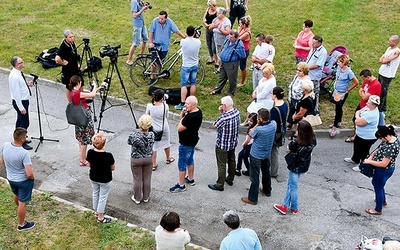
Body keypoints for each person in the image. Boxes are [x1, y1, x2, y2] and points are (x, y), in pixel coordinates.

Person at [273, 120, 316, 215]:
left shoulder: (296, 142)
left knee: (293, 187)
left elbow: (288, 148)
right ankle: (285, 205)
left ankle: (293, 207)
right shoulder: (313, 140)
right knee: (291, 185)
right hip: (304, 166)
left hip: (294, 166)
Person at [0, 128, 35, 231]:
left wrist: (9, 171)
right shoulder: (24, 153)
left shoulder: (5, 145)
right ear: (22, 139)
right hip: (23, 181)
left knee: (17, 195)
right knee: (23, 201)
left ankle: (20, 208)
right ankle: (21, 224)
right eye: (26, 137)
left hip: (11, 178)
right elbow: (29, 173)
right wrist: (32, 178)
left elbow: (2, 161)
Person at [242, 108, 276, 205]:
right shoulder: (273, 124)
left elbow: (251, 133)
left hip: (256, 155)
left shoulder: (259, 129)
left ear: (260, 119)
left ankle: (252, 198)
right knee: (266, 172)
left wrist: (257, 124)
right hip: (266, 153)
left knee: (255, 176)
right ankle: (267, 190)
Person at [363, 126, 400, 215]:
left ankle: (377, 209)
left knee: (378, 186)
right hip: (385, 170)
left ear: (386, 136)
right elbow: (379, 148)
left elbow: (384, 164)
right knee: (379, 185)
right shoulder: (392, 139)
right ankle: (382, 200)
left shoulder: (391, 148)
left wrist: (369, 161)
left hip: (383, 170)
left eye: (381, 138)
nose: (381, 140)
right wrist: (372, 155)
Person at [170, 96, 203, 192]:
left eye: (187, 104)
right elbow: (183, 119)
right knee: (190, 160)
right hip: (192, 141)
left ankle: (181, 185)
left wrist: (183, 117)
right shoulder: (198, 112)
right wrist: (183, 113)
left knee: (182, 163)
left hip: (185, 142)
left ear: (193, 105)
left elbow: (179, 127)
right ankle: (191, 178)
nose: (185, 105)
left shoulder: (190, 117)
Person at [208, 96, 240, 191]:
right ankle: (230, 178)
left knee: (221, 164)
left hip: (222, 144)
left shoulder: (223, 117)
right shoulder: (237, 112)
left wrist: (221, 113)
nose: (221, 106)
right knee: (231, 160)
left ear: (225, 106)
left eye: (222, 104)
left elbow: (215, 125)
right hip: (233, 142)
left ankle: (219, 184)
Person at [66, 75, 99, 166]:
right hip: (84, 118)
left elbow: (89, 95)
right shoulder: (77, 93)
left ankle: (82, 155)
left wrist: (97, 89)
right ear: (78, 83)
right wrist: (95, 85)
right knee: (85, 140)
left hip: (78, 118)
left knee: (80, 138)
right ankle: (82, 160)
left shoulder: (72, 92)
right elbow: (92, 95)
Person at [148, 11, 186, 85]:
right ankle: (152, 77)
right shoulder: (155, 21)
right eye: (159, 18)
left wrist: (184, 37)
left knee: (161, 61)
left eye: (162, 19)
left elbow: (176, 31)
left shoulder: (169, 22)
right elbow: (151, 32)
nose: (160, 20)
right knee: (154, 62)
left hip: (164, 46)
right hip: (155, 45)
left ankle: (158, 73)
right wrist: (150, 42)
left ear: (166, 18)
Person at [345, 69, 381, 143]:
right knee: (354, 119)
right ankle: (356, 134)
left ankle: (358, 136)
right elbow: (361, 89)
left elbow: (364, 97)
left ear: (368, 77)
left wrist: (362, 94)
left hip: (368, 107)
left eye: (363, 78)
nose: (363, 80)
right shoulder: (367, 81)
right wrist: (363, 93)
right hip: (362, 104)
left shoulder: (375, 85)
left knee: (361, 121)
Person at [86, 132, 115, 223]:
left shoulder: (90, 152)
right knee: (103, 196)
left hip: (93, 177)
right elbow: (113, 168)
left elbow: (89, 164)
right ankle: (100, 216)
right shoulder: (108, 155)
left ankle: (96, 210)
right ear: (104, 143)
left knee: (95, 193)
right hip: (105, 179)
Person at [344, 95, 380, 167]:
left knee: (364, 152)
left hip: (368, 137)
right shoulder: (368, 108)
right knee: (357, 147)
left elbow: (358, 122)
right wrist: (358, 115)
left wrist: (357, 116)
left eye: (369, 103)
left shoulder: (372, 114)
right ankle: (355, 159)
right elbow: (358, 111)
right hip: (360, 135)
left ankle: (362, 166)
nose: (366, 103)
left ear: (374, 105)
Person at [328, 54, 359, 137]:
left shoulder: (349, 72)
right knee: (338, 107)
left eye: (339, 62)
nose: (337, 63)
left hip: (342, 93)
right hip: (336, 91)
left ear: (344, 63)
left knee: (338, 108)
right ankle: (339, 121)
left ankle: (334, 126)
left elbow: (356, 82)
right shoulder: (339, 68)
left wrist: (348, 89)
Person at [128, 114, 155, 204]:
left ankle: (137, 197)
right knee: (147, 178)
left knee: (137, 179)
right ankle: (146, 197)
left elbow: (129, 142)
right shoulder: (151, 135)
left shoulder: (133, 135)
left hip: (136, 159)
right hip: (148, 158)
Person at [210, 30, 246, 96]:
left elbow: (243, 55)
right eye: (229, 36)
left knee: (232, 79)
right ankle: (217, 90)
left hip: (231, 64)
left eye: (231, 37)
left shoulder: (239, 44)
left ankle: (231, 92)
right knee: (222, 76)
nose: (230, 38)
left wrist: (236, 53)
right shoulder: (227, 38)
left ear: (236, 37)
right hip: (223, 61)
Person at [145, 89, 174, 171]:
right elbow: (166, 117)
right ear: (162, 98)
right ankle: (168, 158)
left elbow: (147, 116)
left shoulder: (149, 106)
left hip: (153, 128)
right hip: (163, 127)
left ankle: (154, 164)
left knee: (153, 146)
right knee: (166, 143)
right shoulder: (165, 106)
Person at [9, 56, 33, 150]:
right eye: (21, 62)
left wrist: (27, 85)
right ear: (17, 65)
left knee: (20, 121)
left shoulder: (18, 73)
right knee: (24, 123)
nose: (23, 63)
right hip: (21, 102)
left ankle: (19, 138)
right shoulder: (14, 77)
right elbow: (16, 94)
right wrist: (21, 107)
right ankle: (20, 142)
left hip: (23, 101)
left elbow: (20, 87)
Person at [175, 25, 201, 110]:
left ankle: (183, 102)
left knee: (184, 85)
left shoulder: (183, 41)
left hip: (186, 65)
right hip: (194, 64)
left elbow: (182, 44)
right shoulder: (198, 42)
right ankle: (192, 100)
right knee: (193, 83)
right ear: (194, 32)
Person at [378, 35, 400, 113]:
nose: (388, 42)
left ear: (395, 42)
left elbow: (386, 60)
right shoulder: (389, 49)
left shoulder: (396, 51)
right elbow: (381, 59)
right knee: (379, 90)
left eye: (390, 41)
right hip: (381, 72)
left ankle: (379, 110)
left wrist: (384, 60)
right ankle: (383, 109)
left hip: (387, 75)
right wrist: (383, 60)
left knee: (382, 93)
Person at [270, 87, 288, 178]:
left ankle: (273, 171)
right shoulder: (285, 104)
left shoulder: (274, 110)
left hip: (275, 133)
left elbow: (272, 124)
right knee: (274, 151)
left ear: (275, 95)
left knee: (273, 152)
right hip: (282, 130)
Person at [306, 35, 327, 113]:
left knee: (315, 92)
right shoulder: (313, 48)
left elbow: (318, 65)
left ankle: (315, 109)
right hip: (308, 74)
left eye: (314, 43)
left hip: (314, 75)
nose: (312, 44)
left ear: (319, 43)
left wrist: (307, 68)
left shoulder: (323, 52)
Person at [287, 62, 311, 130]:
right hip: (292, 98)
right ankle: (291, 123)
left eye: (300, 70)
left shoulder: (306, 80)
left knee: (297, 115)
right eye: (297, 69)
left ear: (305, 71)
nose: (297, 72)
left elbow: (306, 92)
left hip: (299, 100)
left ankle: (297, 130)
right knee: (291, 111)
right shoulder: (297, 77)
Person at [126, 0, 150, 66]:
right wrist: (143, 9)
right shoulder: (134, 2)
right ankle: (129, 60)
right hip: (137, 25)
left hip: (142, 23)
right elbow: (134, 15)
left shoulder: (139, 1)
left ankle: (141, 55)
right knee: (136, 43)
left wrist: (145, 6)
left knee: (145, 39)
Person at [209, 7, 231, 73]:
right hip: (216, 41)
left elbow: (228, 32)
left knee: (223, 55)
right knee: (219, 54)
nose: (217, 14)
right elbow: (210, 28)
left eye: (219, 13)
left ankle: (224, 69)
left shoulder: (227, 22)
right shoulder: (215, 20)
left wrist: (220, 29)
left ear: (223, 14)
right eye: (217, 13)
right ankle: (220, 68)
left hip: (224, 42)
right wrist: (214, 26)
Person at [236, 15, 251, 87]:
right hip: (239, 49)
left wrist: (238, 31)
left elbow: (238, 39)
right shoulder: (242, 29)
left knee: (242, 66)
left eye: (240, 23)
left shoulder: (247, 33)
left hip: (244, 51)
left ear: (244, 25)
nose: (239, 25)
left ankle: (243, 81)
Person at [202, 0, 218, 65]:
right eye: (209, 6)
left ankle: (216, 60)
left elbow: (217, 21)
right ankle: (211, 58)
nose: (210, 8)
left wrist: (209, 25)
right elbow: (204, 18)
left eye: (211, 6)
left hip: (214, 30)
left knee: (214, 46)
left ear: (214, 5)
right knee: (209, 43)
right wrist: (205, 24)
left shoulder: (218, 11)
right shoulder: (208, 9)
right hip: (208, 29)